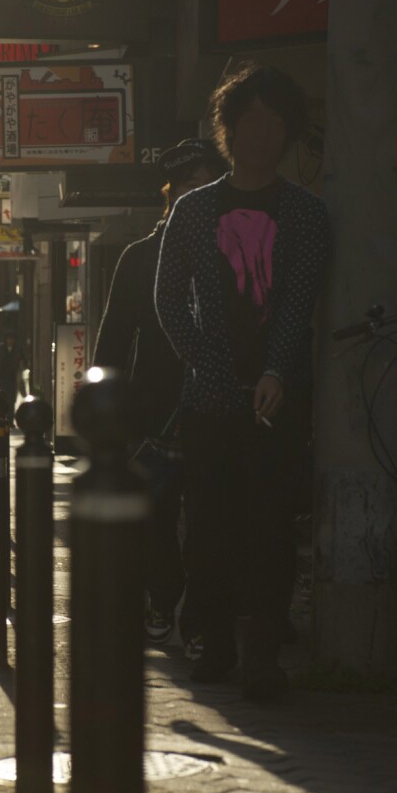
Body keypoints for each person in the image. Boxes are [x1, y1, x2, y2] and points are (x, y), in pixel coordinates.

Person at [154, 63, 330, 700]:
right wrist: (207, 364)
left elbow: (298, 303)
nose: (263, 134)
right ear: (228, 130)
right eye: (251, 121)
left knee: (272, 526)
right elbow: (169, 298)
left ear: (289, 133)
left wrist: (277, 371)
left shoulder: (307, 215)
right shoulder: (195, 210)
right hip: (209, 399)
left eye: (276, 122)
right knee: (209, 525)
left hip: (281, 400)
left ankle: (261, 652)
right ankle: (214, 640)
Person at [94, 138, 228, 654]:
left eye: (210, 186)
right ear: (169, 194)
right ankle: (162, 593)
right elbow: (113, 338)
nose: (202, 197)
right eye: (192, 187)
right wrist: (106, 409)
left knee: (212, 520)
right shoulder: (140, 256)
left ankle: (196, 620)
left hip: (218, 403)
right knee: (154, 516)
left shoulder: (229, 249)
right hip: (153, 411)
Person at [0, 332, 26, 402]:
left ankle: (11, 411)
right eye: (9, 339)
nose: (10, 341)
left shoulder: (18, 349)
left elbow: (23, 361)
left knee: (11, 397)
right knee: (1, 396)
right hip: (1, 377)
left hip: (12, 377)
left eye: (12, 339)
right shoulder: (0, 349)